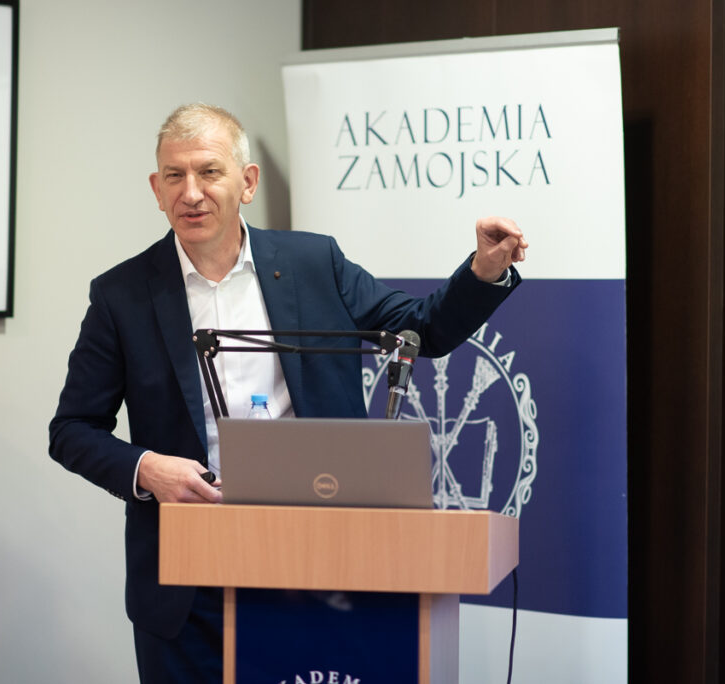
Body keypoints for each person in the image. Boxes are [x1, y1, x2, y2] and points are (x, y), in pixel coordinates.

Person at [48, 103, 527, 682]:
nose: (191, 193)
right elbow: (72, 430)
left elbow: (421, 330)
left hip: (319, 561)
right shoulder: (121, 295)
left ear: (247, 182)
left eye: (209, 171)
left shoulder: (312, 262)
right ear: (156, 188)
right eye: (175, 176)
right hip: (188, 583)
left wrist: (482, 272)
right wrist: (147, 468)